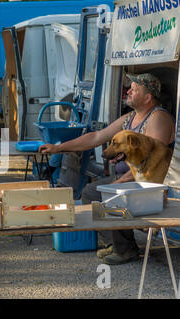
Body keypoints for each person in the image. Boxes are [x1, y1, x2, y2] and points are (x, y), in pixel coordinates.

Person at [39, 73, 176, 265]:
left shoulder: (158, 118)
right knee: (90, 193)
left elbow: (153, 162)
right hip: (128, 177)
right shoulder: (130, 118)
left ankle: (125, 249)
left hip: (147, 183)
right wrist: (59, 147)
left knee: (110, 194)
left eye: (134, 89)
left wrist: (121, 182)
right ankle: (117, 242)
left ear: (147, 98)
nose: (128, 91)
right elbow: (96, 137)